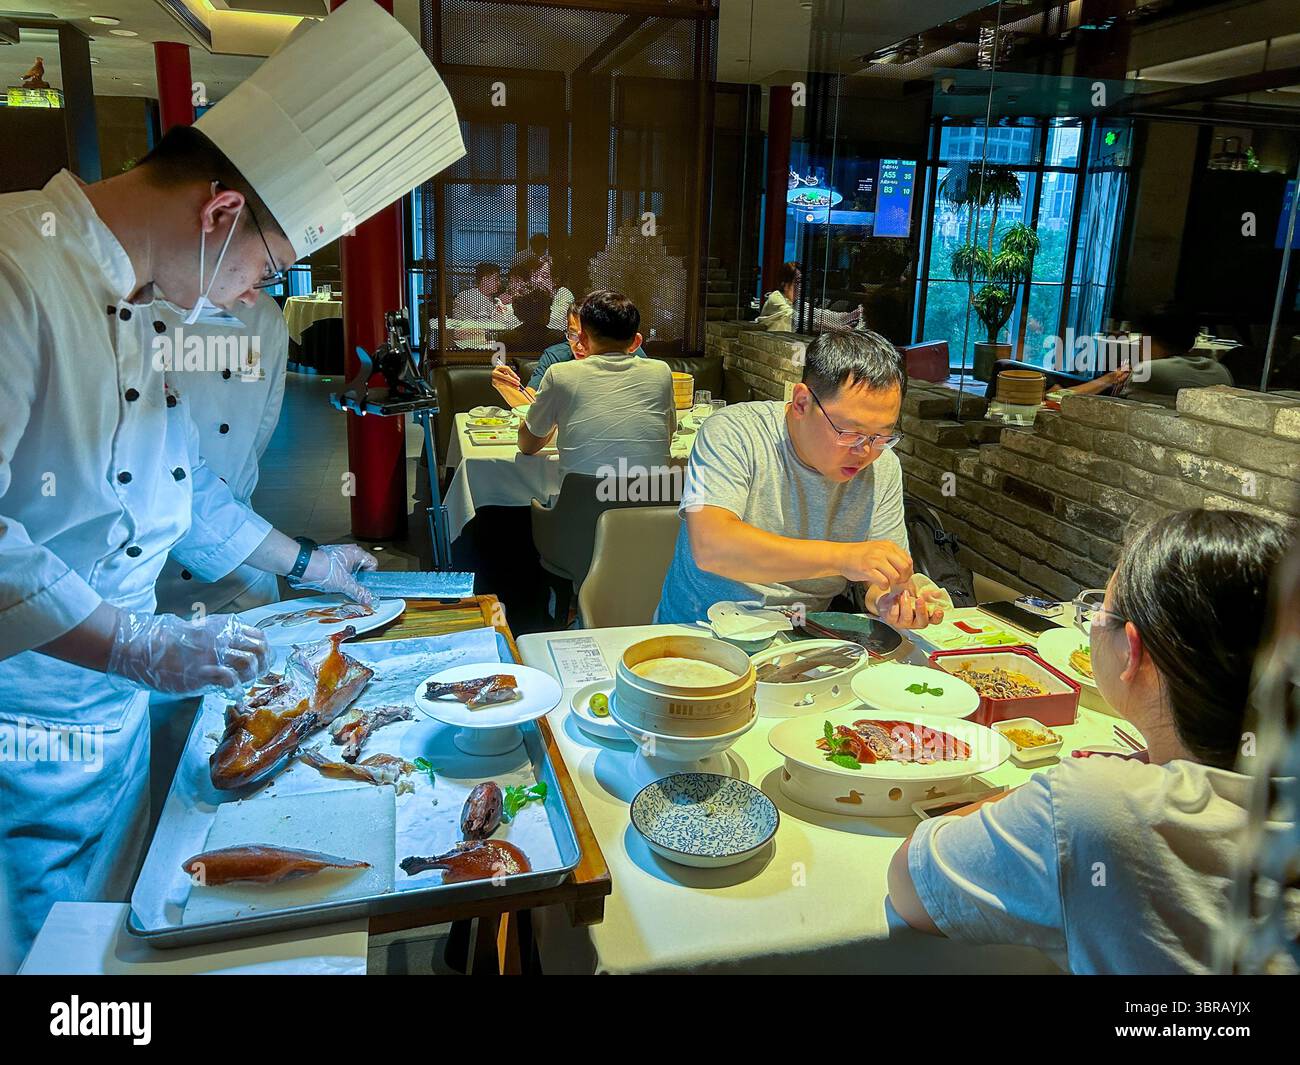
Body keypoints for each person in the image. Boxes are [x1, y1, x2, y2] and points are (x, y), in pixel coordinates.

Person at [0, 1, 464, 955]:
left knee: (112, 928)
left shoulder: (139, 297)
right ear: (218, 213)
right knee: (35, 943)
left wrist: (306, 562)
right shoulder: (16, 268)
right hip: (29, 714)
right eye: (269, 266)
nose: (259, 295)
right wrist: (129, 644)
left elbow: (185, 491)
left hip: (119, 710)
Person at [887, 508, 1294, 974]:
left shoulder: (1099, 802)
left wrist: (1046, 794)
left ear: (1132, 650)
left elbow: (911, 886)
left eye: (1102, 611)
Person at [655, 329, 944, 628]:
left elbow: (881, 579)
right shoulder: (732, 432)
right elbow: (712, 547)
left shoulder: (883, 467)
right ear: (802, 402)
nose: (866, 451)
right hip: (698, 633)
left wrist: (887, 600)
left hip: (802, 640)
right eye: (851, 434)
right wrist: (844, 558)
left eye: (882, 436)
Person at [154, 290, 289, 617]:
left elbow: (258, 431)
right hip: (144, 574)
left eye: (272, 272)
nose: (254, 289)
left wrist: (304, 563)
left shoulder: (262, 315)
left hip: (243, 564)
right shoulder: (127, 312)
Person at [517, 290, 674, 480]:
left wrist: (552, 415)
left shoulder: (560, 374)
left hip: (581, 506)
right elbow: (667, 438)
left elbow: (528, 445)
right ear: (636, 342)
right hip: (648, 503)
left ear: (583, 339)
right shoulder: (661, 373)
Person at [1126, 308, 1231, 404]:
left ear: (1153, 341)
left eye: (1141, 340)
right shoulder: (1221, 371)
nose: (1139, 346)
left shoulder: (1147, 371)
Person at [756, 261, 861, 333]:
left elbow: (820, 315)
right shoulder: (775, 297)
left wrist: (854, 315)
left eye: (803, 282)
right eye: (797, 282)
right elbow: (797, 319)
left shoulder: (795, 302)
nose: (801, 286)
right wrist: (838, 328)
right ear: (784, 283)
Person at [450, 262, 518, 348]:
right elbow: (460, 328)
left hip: (493, 345)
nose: (499, 283)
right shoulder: (467, 297)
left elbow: (507, 324)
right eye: (496, 279)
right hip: (470, 346)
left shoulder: (496, 301)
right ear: (485, 279)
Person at [496, 286, 559, 355]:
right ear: (538, 312)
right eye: (547, 308)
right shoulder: (556, 339)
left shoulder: (506, 339)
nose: (550, 311)